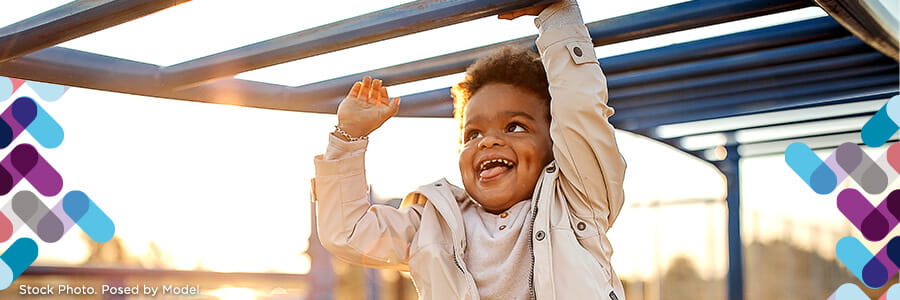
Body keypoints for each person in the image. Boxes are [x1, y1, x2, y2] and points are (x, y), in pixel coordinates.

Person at [311, 0, 626, 298]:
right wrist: (348, 138)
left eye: (515, 127)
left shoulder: (576, 201)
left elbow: (579, 110)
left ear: (556, 143)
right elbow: (348, 233)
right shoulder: (434, 224)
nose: (488, 142)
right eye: (473, 134)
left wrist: (558, 16)